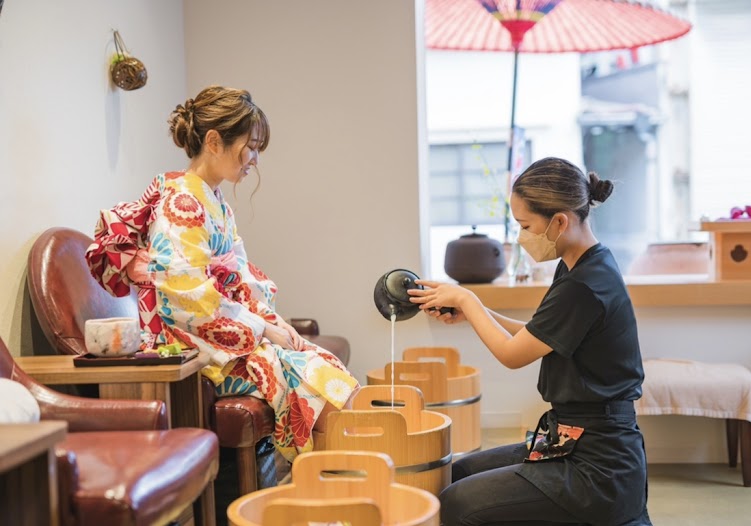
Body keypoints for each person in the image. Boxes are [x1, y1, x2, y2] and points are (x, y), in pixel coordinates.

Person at [86, 86, 359, 462]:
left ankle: (334, 483)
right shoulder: (180, 202)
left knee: (320, 360)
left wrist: (276, 323)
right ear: (214, 141)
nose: (255, 159)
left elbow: (244, 280)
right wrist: (263, 331)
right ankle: (331, 481)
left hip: (227, 333)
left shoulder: (217, 205)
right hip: (194, 346)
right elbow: (187, 298)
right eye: (251, 146)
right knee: (312, 381)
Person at [408, 157, 650, 526]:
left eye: (525, 225)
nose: (521, 237)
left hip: (598, 464)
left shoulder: (585, 284)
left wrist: (468, 300)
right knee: (458, 473)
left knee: (459, 502)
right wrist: (473, 314)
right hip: (567, 437)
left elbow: (512, 355)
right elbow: (540, 334)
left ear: (559, 221)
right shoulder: (579, 264)